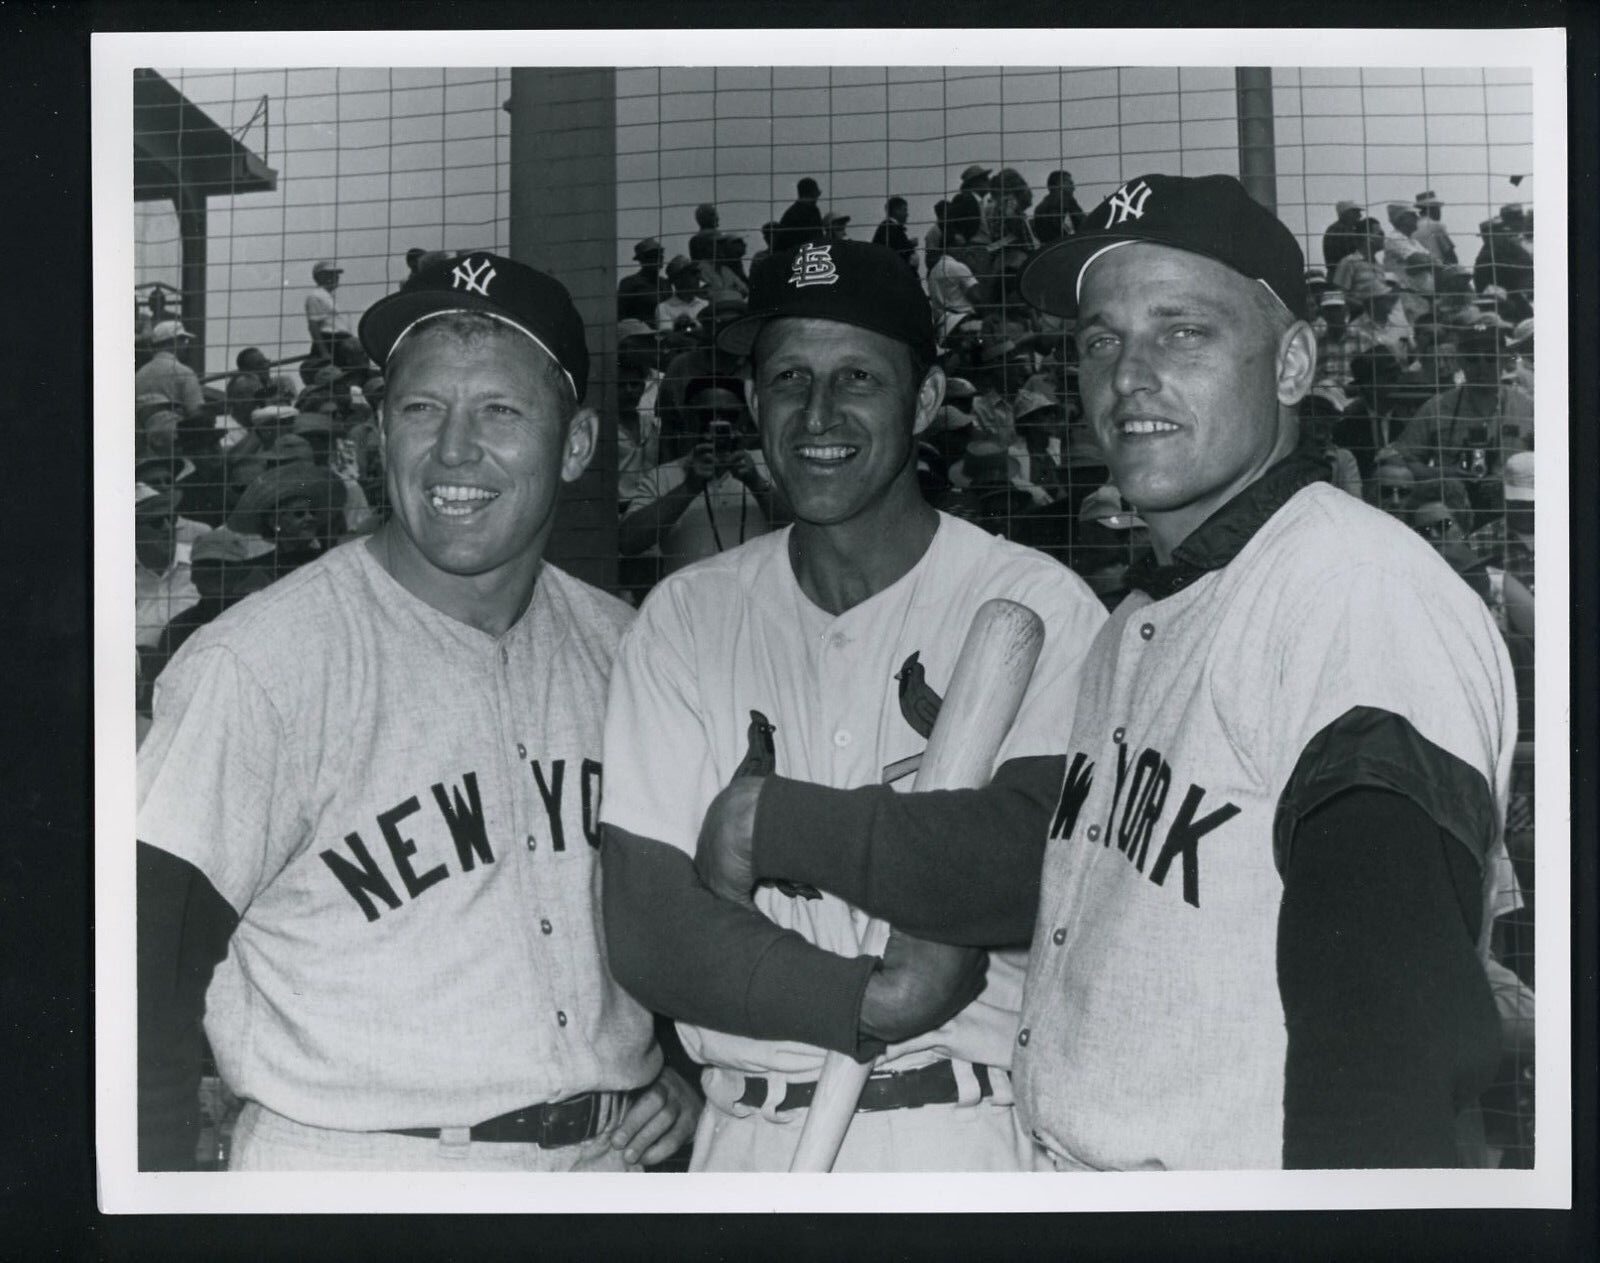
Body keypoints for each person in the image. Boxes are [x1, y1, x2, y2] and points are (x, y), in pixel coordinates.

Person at [693, 174, 1518, 1171]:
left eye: (1182, 333)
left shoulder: (1352, 597)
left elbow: (1386, 1040)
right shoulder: (1141, 616)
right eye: (1100, 340)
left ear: (1292, 361)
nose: (1130, 376)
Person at [136, 252, 699, 1172]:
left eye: (501, 411)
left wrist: (679, 1062)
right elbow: (134, 981)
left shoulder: (629, 651)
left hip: (607, 1170)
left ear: (581, 442)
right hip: (354, 1172)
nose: (452, 451)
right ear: (380, 433)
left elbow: (685, 913)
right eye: (421, 407)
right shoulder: (259, 665)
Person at [600, 238, 1107, 1173]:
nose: (818, 413)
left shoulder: (1039, 601)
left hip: (963, 1133)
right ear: (755, 401)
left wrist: (772, 824)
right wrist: (864, 1001)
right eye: (789, 376)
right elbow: (650, 926)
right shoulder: (686, 614)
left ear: (922, 400)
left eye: (859, 377)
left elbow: (1033, 868)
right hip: (742, 1143)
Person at [618, 373, 780, 576]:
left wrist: (756, 483)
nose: (717, 423)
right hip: (691, 603)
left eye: (728, 416)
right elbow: (627, 542)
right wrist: (689, 487)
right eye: (706, 416)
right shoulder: (665, 476)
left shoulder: (768, 465)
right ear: (689, 420)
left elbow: (805, 531)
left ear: (744, 420)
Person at [134, 320, 206, 419]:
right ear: (174, 342)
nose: (186, 345)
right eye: (183, 340)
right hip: (175, 432)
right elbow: (196, 412)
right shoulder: (184, 372)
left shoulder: (139, 375)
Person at [617, 237, 669, 324]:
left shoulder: (665, 284)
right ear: (643, 260)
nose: (658, 259)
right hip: (639, 333)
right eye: (652, 256)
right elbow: (620, 314)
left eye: (660, 255)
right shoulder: (629, 283)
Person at [655, 256, 710, 334]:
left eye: (697, 272)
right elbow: (667, 337)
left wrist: (690, 329)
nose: (698, 277)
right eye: (692, 273)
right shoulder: (664, 308)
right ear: (678, 279)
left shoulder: (706, 305)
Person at [1033, 170, 1086, 246]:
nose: (1073, 188)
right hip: (1066, 247)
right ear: (1060, 184)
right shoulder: (1066, 200)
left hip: (1048, 251)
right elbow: (1084, 225)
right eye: (1070, 183)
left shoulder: (1040, 208)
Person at [773, 177, 824, 254]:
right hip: (802, 257)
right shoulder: (811, 211)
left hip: (790, 256)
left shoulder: (791, 212)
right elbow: (817, 239)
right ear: (812, 194)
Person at [870, 196, 917, 273]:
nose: (907, 214)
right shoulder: (891, 228)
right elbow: (897, 250)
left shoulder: (888, 227)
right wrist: (910, 244)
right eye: (904, 210)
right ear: (896, 210)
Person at [1321, 199, 1367, 272]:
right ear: (1346, 213)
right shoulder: (1346, 230)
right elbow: (1355, 256)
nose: (1360, 215)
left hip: (1333, 273)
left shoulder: (1331, 229)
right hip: (1345, 275)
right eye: (1356, 212)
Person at [1413, 191, 1458, 265]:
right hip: (1440, 269)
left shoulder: (1412, 228)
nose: (1439, 211)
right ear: (1431, 208)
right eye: (1437, 208)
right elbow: (1450, 254)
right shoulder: (1436, 226)